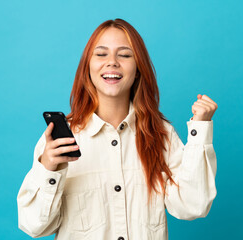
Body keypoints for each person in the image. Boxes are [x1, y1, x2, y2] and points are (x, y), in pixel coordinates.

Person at [17, 18, 218, 240]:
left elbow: (192, 206)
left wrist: (200, 131)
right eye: (101, 54)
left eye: (124, 55)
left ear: (138, 69)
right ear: (88, 67)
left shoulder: (160, 134)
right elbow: (33, 226)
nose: (112, 62)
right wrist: (49, 169)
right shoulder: (60, 140)